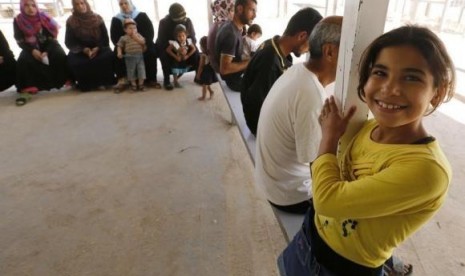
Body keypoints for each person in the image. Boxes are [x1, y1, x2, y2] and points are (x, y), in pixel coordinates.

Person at [278, 25, 455, 276]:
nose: (390, 89)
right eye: (380, 72)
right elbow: (325, 179)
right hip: (310, 237)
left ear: (437, 93)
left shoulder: (428, 170)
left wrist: (328, 137)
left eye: (411, 77)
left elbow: (327, 199)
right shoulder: (367, 127)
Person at [255, 16, 342, 214]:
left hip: (271, 182)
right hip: (290, 196)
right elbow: (316, 164)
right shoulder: (311, 94)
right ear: (330, 51)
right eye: (352, 52)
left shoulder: (297, 71)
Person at [241, 7, 322, 135]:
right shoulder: (270, 62)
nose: (308, 50)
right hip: (259, 125)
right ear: (302, 36)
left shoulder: (274, 44)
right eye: (310, 45)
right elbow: (255, 106)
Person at [13, 0, 69, 106]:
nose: (30, 8)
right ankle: (29, 87)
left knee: (59, 54)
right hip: (30, 47)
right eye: (27, 6)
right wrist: (33, 50)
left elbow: (52, 38)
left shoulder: (44, 18)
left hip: (48, 45)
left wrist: (46, 51)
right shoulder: (18, 20)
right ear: (22, 7)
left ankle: (62, 80)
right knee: (23, 60)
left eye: (33, 5)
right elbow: (19, 40)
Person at [65, 0, 115, 92]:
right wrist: (84, 50)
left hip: (99, 47)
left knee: (106, 57)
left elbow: (105, 38)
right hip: (80, 50)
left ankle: (103, 82)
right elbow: (69, 41)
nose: (80, 6)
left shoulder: (97, 18)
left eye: (82, 3)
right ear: (74, 7)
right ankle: (87, 85)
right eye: (77, 4)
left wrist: (98, 48)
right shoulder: (71, 21)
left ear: (86, 4)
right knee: (75, 61)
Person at [110, 0, 160, 92]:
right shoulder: (116, 19)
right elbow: (114, 37)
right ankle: (122, 80)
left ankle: (151, 79)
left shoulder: (142, 16)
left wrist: (143, 44)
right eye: (121, 4)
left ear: (130, 3)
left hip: (142, 43)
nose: (124, 6)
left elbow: (150, 33)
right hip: (126, 46)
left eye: (126, 3)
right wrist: (124, 47)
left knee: (151, 51)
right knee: (116, 54)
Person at [214, 0, 257, 92]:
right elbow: (224, 69)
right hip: (234, 80)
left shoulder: (228, 24)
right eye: (252, 10)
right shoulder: (231, 34)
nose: (254, 15)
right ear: (240, 9)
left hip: (235, 73)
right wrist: (250, 61)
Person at [156, 3, 199, 90]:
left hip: (185, 44)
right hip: (170, 45)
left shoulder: (187, 21)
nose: (181, 20)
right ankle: (167, 80)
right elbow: (162, 41)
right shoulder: (163, 22)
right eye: (178, 18)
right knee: (163, 54)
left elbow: (193, 38)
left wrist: (186, 49)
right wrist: (177, 50)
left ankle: (198, 77)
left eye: (182, 17)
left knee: (196, 52)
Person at [117, 19, 146, 92]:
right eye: (130, 28)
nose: (133, 30)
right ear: (125, 30)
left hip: (139, 56)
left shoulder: (139, 35)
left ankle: (141, 85)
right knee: (131, 71)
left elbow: (143, 42)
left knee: (141, 70)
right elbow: (119, 46)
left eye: (135, 28)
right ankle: (133, 85)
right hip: (129, 57)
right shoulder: (123, 38)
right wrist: (119, 52)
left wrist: (136, 38)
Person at [166, 24, 197, 89]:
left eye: (183, 36)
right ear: (176, 37)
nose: (182, 38)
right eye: (179, 36)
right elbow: (168, 50)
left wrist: (188, 55)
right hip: (177, 59)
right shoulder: (174, 43)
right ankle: (175, 81)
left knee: (183, 70)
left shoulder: (188, 41)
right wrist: (175, 56)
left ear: (186, 35)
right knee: (175, 70)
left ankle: (176, 79)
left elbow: (194, 49)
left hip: (185, 59)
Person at [208, 0, 235, 73]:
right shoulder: (226, 28)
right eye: (232, 10)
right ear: (225, 10)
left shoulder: (216, 24)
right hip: (223, 69)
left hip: (215, 65)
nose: (235, 13)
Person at [196, 36, 218, 100]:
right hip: (211, 70)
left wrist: (198, 74)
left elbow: (201, 66)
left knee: (204, 85)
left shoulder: (203, 55)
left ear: (202, 46)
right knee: (206, 83)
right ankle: (211, 91)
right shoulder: (212, 53)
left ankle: (203, 96)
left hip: (206, 71)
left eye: (200, 45)